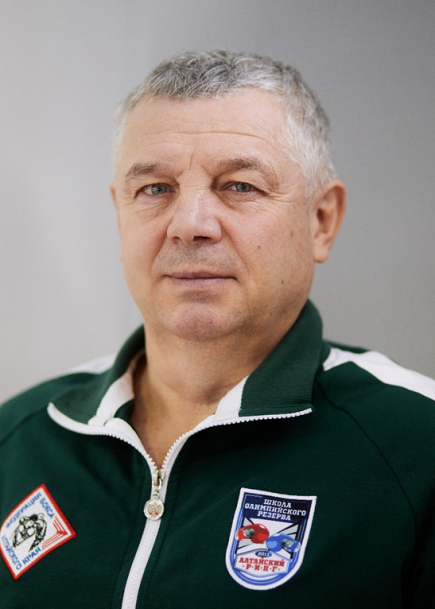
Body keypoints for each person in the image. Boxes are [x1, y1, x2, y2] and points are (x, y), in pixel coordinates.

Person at [0, 50, 434, 609]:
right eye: (155, 189)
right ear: (119, 214)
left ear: (321, 221)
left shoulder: (418, 449)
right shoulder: (18, 440)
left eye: (240, 186)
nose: (190, 225)